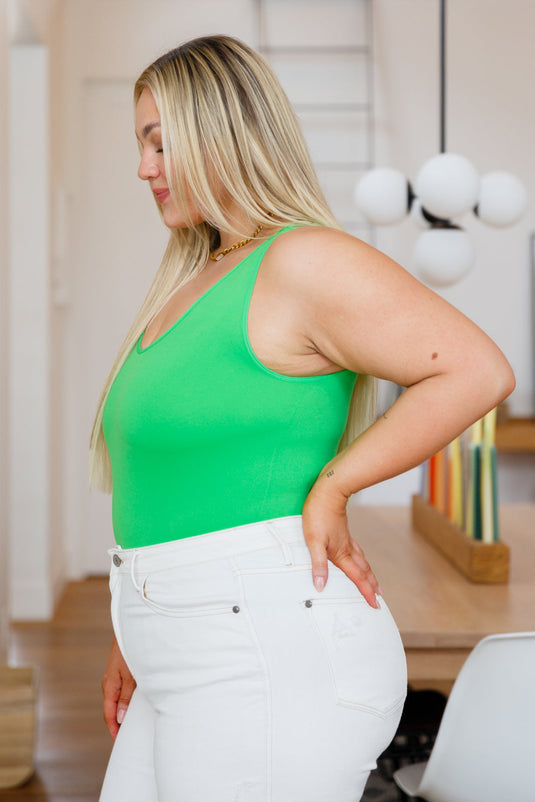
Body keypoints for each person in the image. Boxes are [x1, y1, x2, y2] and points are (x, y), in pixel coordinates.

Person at [90, 34, 514, 802]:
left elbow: (475, 369)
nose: (144, 169)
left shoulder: (301, 260)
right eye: (140, 146)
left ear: (219, 131)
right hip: (181, 641)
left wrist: (336, 484)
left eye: (159, 143)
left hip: (266, 648)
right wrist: (139, 627)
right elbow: (171, 480)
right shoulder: (191, 280)